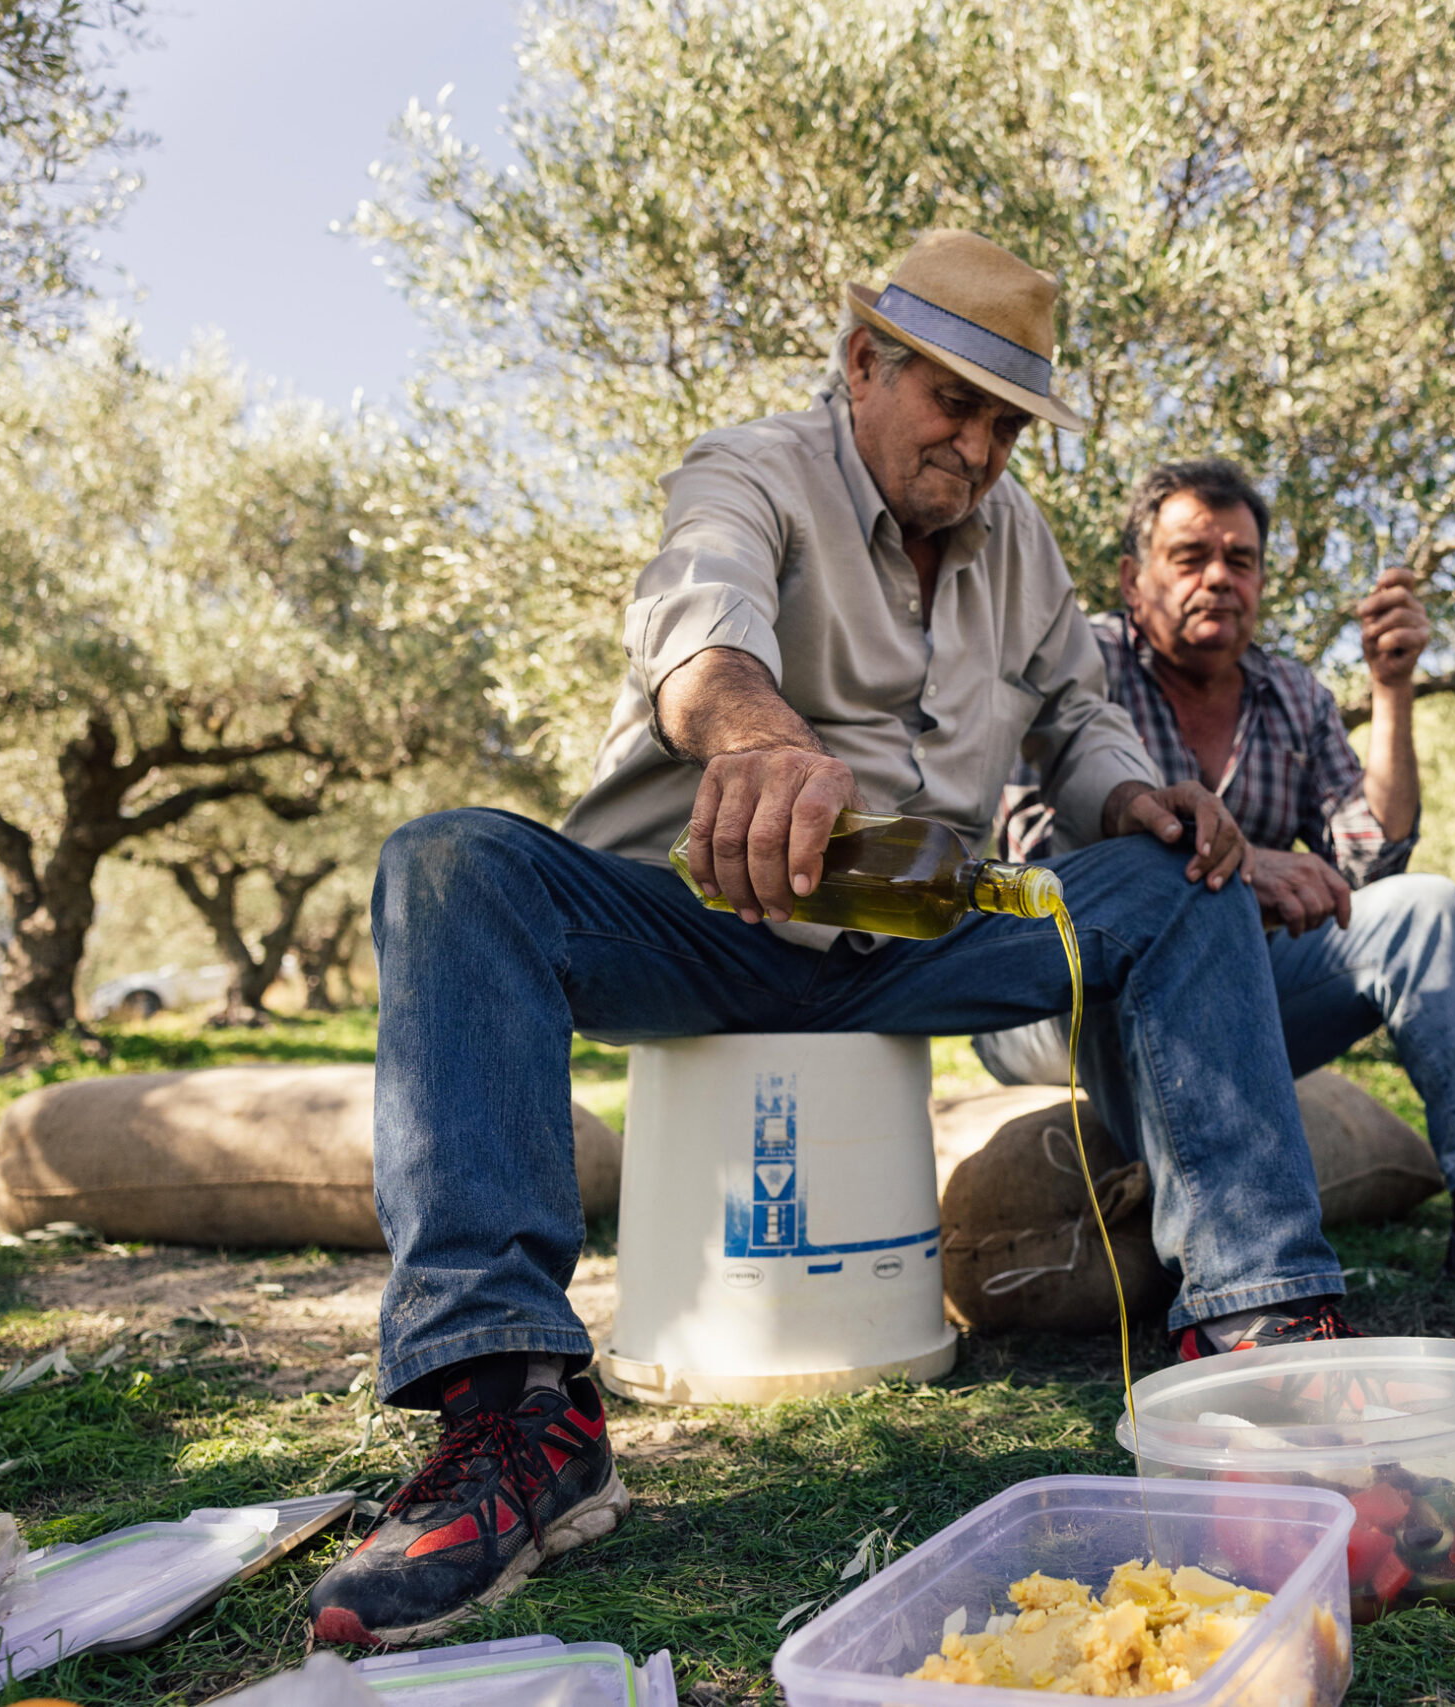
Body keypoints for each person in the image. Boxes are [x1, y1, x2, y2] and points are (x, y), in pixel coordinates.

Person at [309, 234, 1365, 1649]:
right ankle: (515, 1410)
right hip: (695, 913)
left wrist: (1135, 795)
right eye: (953, 401)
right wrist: (758, 737)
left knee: (1183, 874)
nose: (981, 446)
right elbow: (700, 619)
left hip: (921, 930)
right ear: (862, 362)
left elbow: (1078, 719)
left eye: (1008, 422)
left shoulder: (1024, 542)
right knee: (448, 863)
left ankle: (1255, 1329)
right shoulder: (750, 468)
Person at [980, 458, 1455, 1321]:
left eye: (1241, 558)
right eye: (1190, 556)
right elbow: (1037, 856)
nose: (1220, 577)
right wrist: (1243, 868)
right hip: (1065, 993)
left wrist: (1393, 689)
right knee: (1168, 926)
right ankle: (1241, 1287)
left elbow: (1372, 862)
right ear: (1131, 577)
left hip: (1227, 992)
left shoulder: (1293, 691)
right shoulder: (1079, 666)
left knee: (1425, 908)